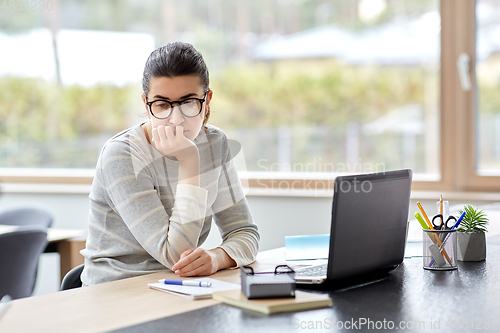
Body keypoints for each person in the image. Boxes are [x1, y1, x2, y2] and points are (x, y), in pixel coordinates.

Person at [80, 42, 260, 285]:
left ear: (206, 101)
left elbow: (245, 233)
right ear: (146, 105)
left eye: (188, 103)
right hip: (116, 291)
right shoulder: (121, 154)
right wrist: (189, 160)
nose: (176, 120)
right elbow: (173, 254)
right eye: (162, 105)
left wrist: (218, 257)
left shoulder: (215, 143)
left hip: (181, 287)